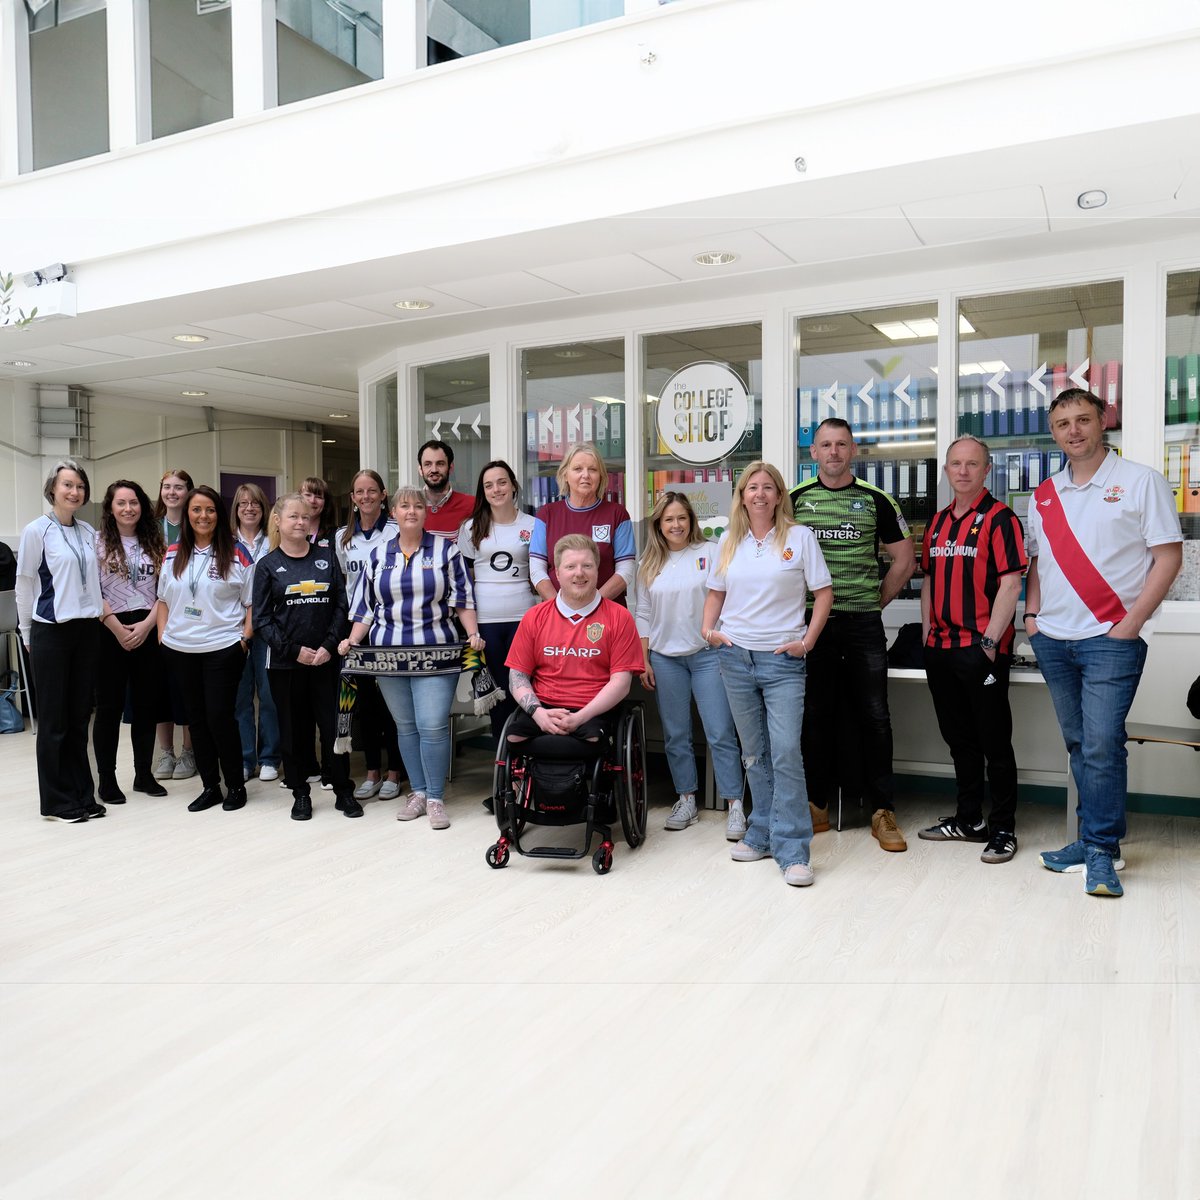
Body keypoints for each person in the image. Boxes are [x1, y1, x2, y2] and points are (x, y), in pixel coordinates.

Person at [1025, 388, 1182, 898]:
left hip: (1111, 638)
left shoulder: (1141, 481)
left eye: (1083, 419)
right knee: (1079, 743)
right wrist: (1031, 618)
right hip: (1053, 638)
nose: (1074, 430)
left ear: (1102, 422)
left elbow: (1168, 558)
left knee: (1101, 744)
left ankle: (1100, 848)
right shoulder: (1043, 496)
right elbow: (1038, 566)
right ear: (1054, 433)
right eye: (1064, 423)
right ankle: (1095, 842)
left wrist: (1132, 623)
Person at [702, 462, 832, 887]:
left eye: (767, 488)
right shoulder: (728, 541)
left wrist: (807, 642)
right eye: (751, 487)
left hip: (783, 660)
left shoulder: (799, 538)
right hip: (735, 657)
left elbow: (823, 593)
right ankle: (761, 833)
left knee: (785, 753)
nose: (759, 494)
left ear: (779, 495)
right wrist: (709, 631)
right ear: (741, 496)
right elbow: (716, 592)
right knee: (754, 753)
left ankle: (794, 850)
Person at [790, 418, 915, 852]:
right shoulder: (793, 501)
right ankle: (815, 805)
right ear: (813, 452)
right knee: (815, 714)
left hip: (862, 624)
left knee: (875, 716)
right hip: (811, 626)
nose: (834, 452)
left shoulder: (876, 499)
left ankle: (883, 810)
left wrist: (874, 602)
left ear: (854, 451)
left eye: (842, 444)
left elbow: (905, 560)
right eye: (825, 444)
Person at [338, 486, 484, 830]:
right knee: (405, 727)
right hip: (389, 656)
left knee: (432, 724)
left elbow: (463, 598)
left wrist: (473, 632)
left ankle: (435, 798)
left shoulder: (446, 552)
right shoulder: (377, 555)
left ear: (425, 513)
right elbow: (365, 609)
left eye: (418, 506)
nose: (412, 511)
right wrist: (352, 639)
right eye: (405, 506)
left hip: (436, 653)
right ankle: (416, 793)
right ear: (394, 513)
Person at [916, 436, 1027, 864]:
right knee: (958, 739)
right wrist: (928, 635)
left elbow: (1012, 583)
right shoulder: (939, 522)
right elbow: (928, 581)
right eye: (955, 464)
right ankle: (968, 819)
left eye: (972, 464)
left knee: (995, 743)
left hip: (981, 650)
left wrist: (988, 644)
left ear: (986, 470)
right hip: (940, 650)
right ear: (947, 471)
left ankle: (1002, 828)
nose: (963, 471)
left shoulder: (1000, 520)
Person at [635, 492, 744, 834]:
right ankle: (686, 800)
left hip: (707, 656)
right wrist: (644, 660)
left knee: (720, 732)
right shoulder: (648, 564)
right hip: (666, 659)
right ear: (659, 525)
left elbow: (727, 597)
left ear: (692, 521)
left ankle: (735, 804)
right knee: (676, 735)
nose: (676, 525)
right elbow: (643, 613)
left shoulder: (710, 552)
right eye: (668, 519)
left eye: (682, 517)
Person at [254, 493, 359, 821]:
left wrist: (329, 645)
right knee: (293, 730)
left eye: (304, 516)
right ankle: (300, 792)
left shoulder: (327, 558)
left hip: (327, 661)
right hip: (286, 665)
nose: (300, 522)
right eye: (292, 517)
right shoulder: (267, 566)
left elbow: (342, 605)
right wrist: (294, 650)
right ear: (278, 521)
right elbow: (261, 620)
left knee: (333, 728)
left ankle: (343, 790)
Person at [15, 459, 104, 822]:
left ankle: (83, 794)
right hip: (50, 630)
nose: (74, 491)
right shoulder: (37, 530)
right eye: (67, 485)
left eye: (80, 486)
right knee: (54, 722)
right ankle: (56, 801)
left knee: (80, 717)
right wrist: (27, 633)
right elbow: (24, 585)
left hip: (86, 630)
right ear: (53, 489)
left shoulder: (87, 532)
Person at [157, 485, 255, 813]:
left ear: (219, 514)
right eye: (196, 510)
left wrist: (243, 640)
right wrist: (163, 639)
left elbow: (252, 603)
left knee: (219, 718)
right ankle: (210, 786)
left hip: (222, 648)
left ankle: (236, 786)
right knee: (195, 720)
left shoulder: (237, 553)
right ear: (187, 515)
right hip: (180, 649)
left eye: (210, 510)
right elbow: (163, 601)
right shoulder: (173, 553)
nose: (203, 516)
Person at [505, 534, 644, 746]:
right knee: (514, 738)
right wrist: (538, 713)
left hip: (594, 708)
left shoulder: (619, 617)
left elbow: (621, 683)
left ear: (597, 571)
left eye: (587, 565)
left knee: (593, 738)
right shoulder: (535, 616)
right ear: (557, 574)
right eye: (570, 566)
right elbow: (517, 675)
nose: (579, 573)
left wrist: (580, 717)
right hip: (543, 706)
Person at [93, 480, 168, 804]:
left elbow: (165, 590)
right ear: (110, 507)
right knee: (109, 708)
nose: (128, 508)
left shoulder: (155, 541)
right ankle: (107, 780)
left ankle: (143, 774)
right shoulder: (96, 543)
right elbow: (91, 590)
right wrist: (117, 628)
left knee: (146, 706)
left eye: (134, 502)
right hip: (109, 630)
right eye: (121, 503)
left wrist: (148, 625)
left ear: (143, 506)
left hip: (147, 629)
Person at [335, 469, 403, 803]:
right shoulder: (341, 538)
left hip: (389, 627)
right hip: (357, 628)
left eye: (372, 491)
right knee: (365, 705)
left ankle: (394, 773)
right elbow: (344, 587)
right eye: (359, 492)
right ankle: (372, 771)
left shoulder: (395, 530)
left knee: (392, 704)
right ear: (352, 497)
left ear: (383, 494)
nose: (366, 497)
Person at [457, 460, 537, 741]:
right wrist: (471, 629)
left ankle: (527, 762)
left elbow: (540, 573)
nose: (496, 489)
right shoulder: (470, 528)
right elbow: (464, 581)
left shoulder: (534, 525)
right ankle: (506, 766)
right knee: (498, 692)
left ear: (513, 486)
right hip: (486, 622)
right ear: (483, 491)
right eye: (488, 485)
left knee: (524, 689)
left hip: (524, 619)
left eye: (502, 482)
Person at [529, 442, 635, 603]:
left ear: (601, 476)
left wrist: (592, 605)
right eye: (578, 469)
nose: (585, 475)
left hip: (606, 612)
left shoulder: (617, 514)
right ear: (565, 474)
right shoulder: (546, 514)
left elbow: (625, 570)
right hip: (558, 616)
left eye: (592, 469)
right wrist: (560, 608)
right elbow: (537, 570)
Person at [232, 483, 281, 783]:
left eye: (255, 504)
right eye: (242, 504)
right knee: (239, 697)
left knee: (269, 695)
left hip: (267, 629)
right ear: (235, 510)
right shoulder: (224, 544)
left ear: (264, 510)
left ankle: (269, 757)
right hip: (232, 629)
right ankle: (245, 757)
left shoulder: (273, 542)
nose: (249, 508)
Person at [152, 468, 196, 781]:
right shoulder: (150, 529)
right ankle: (166, 753)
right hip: (157, 618)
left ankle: (189, 752)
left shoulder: (198, 525)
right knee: (160, 692)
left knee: (187, 691)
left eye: (179, 487)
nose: (172, 492)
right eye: (167, 487)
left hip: (191, 621)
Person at [417, 439, 473, 539]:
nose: (434, 470)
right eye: (428, 464)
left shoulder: (472, 505)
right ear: (421, 470)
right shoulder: (407, 508)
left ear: (450, 468)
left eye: (440, 464)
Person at [300, 476, 337, 542]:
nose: (312, 500)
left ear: (325, 503)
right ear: (298, 499)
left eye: (318, 497)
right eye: (308, 495)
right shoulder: (289, 532)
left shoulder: (336, 535)